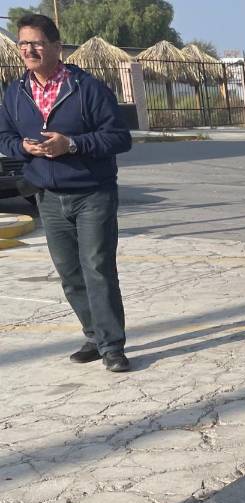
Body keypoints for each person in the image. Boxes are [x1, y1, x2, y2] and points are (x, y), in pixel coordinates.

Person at [0, 14, 133, 372]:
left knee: (98, 269)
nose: (29, 49)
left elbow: (120, 138)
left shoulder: (87, 88)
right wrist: (24, 148)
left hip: (93, 194)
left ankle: (112, 346)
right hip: (48, 195)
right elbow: (4, 136)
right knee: (70, 273)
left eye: (37, 43)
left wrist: (71, 144)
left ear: (57, 47)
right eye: (23, 43)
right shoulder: (15, 93)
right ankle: (94, 334)